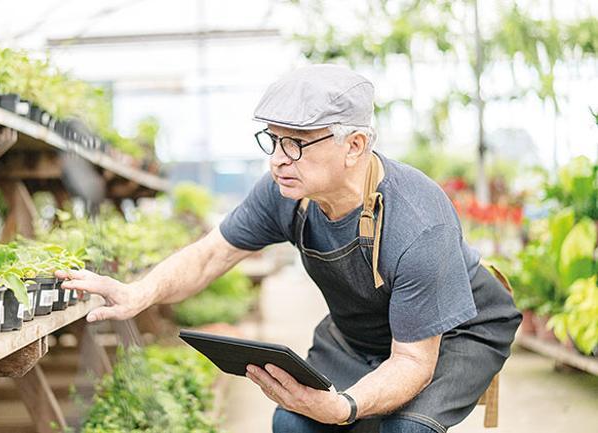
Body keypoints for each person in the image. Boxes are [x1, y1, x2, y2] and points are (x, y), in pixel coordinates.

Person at [57, 64, 522, 433]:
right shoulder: (287, 194)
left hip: (455, 332)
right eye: (274, 140)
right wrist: (141, 292)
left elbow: (413, 362)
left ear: (355, 145)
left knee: (405, 428)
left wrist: (345, 407)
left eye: (296, 143)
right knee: (293, 421)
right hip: (361, 333)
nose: (278, 158)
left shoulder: (417, 222)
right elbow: (213, 252)